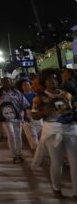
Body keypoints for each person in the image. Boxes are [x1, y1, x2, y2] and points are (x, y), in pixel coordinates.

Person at [31, 68, 77, 198]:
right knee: (57, 162)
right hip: (52, 133)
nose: (54, 81)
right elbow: (34, 116)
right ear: (44, 82)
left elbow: (72, 111)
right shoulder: (39, 98)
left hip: (71, 130)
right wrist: (45, 111)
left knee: (75, 162)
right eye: (50, 79)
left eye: (56, 78)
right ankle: (56, 188)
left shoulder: (66, 95)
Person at [0, 77, 30, 163]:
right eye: (4, 82)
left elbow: (24, 104)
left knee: (18, 136)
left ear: (12, 82)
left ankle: (19, 153)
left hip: (17, 117)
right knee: (11, 135)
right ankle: (14, 155)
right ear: (2, 83)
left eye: (8, 81)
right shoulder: (0, 93)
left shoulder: (17, 92)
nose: (6, 83)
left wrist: (25, 115)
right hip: (6, 119)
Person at [18, 78, 41, 152]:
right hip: (26, 115)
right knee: (32, 135)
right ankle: (35, 150)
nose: (26, 86)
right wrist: (24, 114)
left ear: (31, 85)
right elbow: (20, 107)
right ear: (21, 87)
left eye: (27, 84)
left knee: (39, 134)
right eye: (24, 85)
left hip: (37, 115)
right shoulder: (20, 96)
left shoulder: (36, 95)